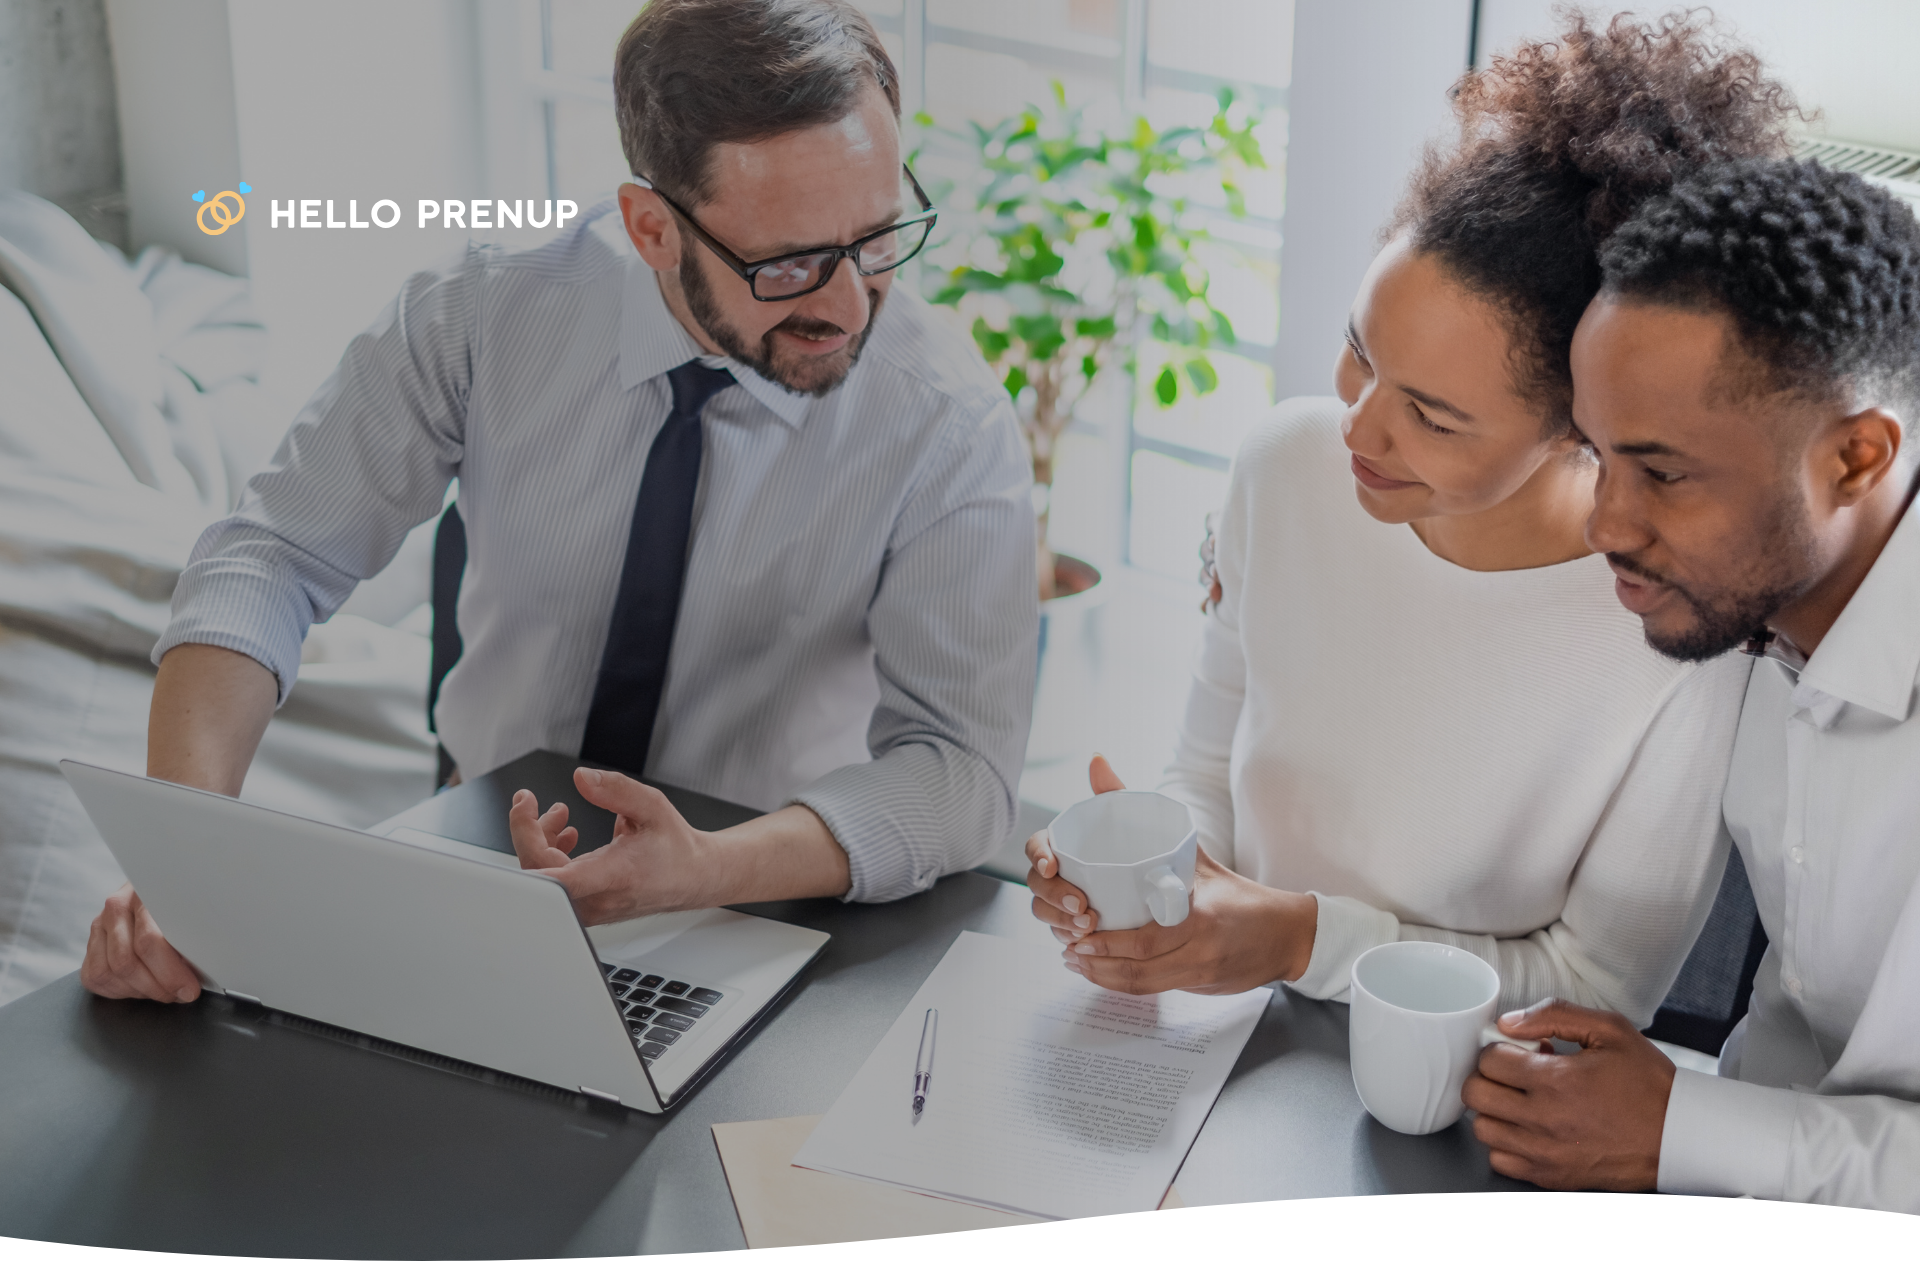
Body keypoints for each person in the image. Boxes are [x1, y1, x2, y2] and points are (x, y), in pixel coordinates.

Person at [79, 0, 1037, 1004]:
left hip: (776, 899)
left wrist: (710, 866)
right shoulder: (488, 311)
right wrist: (181, 862)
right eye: (789, 263)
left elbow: (960, 768)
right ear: (652, 227)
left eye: (879, 238)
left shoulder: (946, 419)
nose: (847, 304)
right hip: (482, 858)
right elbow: (272, 556)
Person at [1026, 14, 1791, 1019]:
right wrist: (1147, 868)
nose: (1358, 428)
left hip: (1454, 1107)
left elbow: (1601, 991)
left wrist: (1300, 937)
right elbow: (1206, 771)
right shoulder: (1285, 466)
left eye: (1431, 416)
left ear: (1584, 427)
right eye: (1360, 351)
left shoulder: (1677, 623)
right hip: (1227, 1040)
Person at [1466, 159, 1920, 1211]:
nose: (1607, 527)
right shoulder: (1760, 606)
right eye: (1598, 455)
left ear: (1856, 458)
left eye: (1664, 473)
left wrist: (1675, 1125)